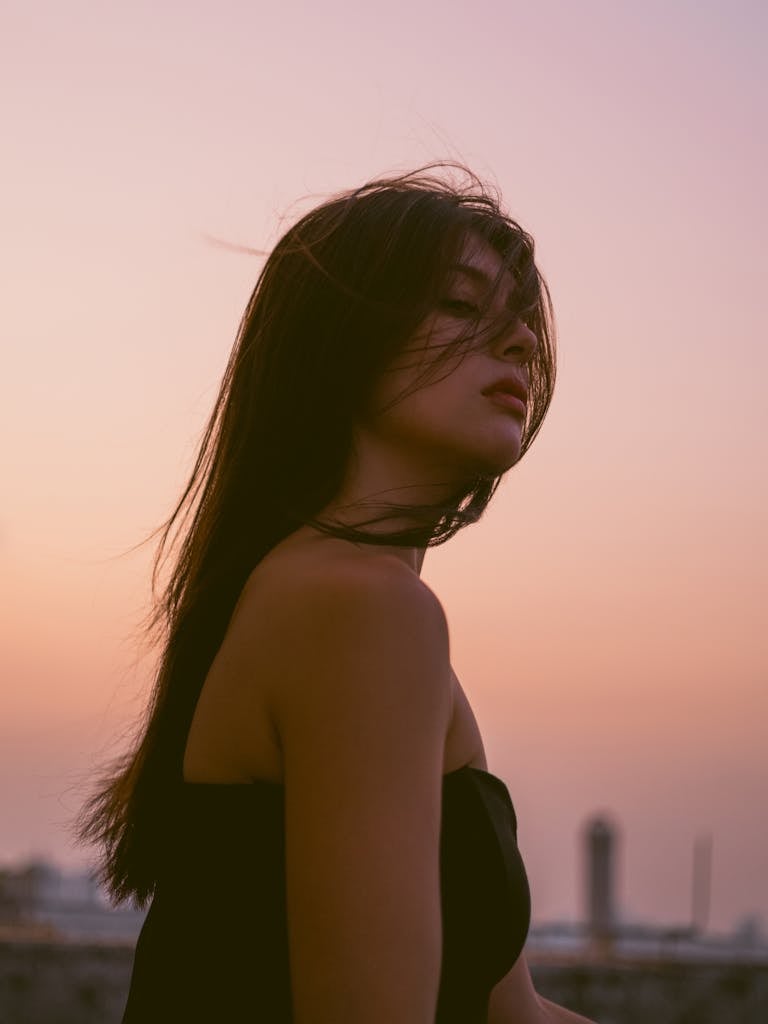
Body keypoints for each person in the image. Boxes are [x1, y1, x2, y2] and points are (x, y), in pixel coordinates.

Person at [76, 163, 597, 1023]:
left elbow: (515, 1012)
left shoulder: (339, 600)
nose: (520, 343)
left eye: (524, 326)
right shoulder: (361, 610)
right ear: (340, 340)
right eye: (464, 307)